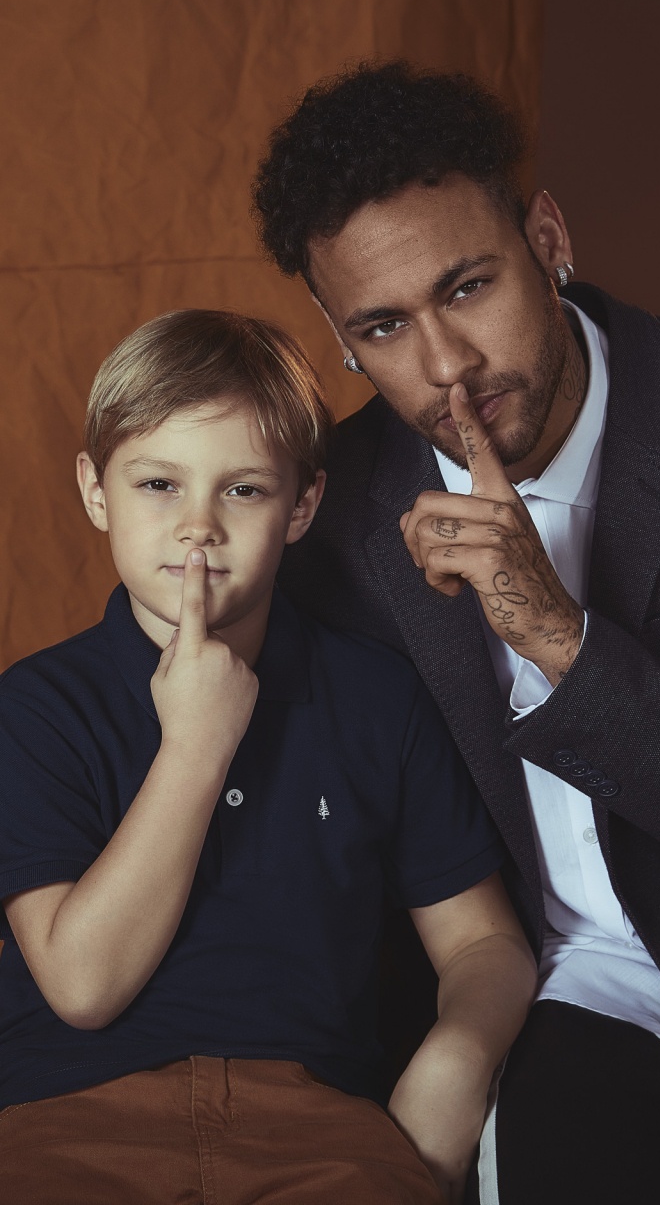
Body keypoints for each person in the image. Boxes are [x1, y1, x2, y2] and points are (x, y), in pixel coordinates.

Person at [253, 61, 660, 1204]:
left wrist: (558, 634)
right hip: (578, 1009)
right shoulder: (337, 522)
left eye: (468, 286)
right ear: (336, 333)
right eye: (383, 325)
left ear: (548, 236)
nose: (446, 364)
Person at [0, 310, 537, 1205]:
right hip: (68, 1121)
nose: (197, 528)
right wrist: (195, 746)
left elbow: (485, 941)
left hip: (319, 1127)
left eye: (243, 490)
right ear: (97, 491)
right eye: (159, 484)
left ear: (303, 506)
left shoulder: (378, 699)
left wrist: (460, 1055)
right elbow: (83, 985)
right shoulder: (36, 708)